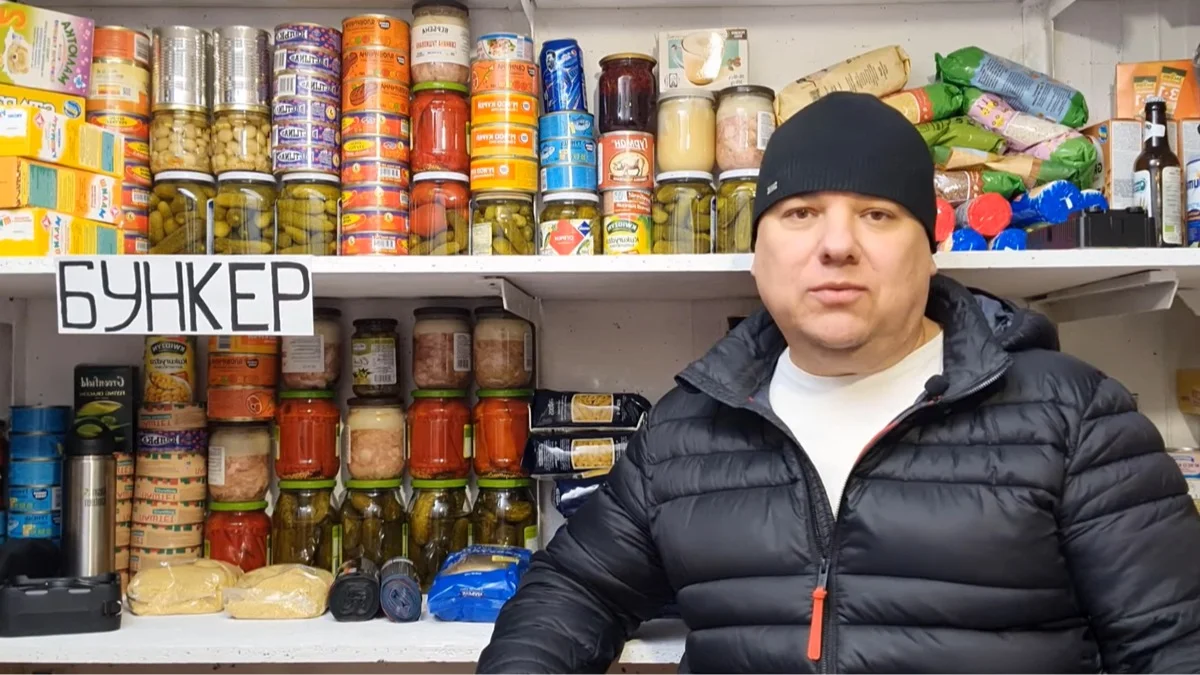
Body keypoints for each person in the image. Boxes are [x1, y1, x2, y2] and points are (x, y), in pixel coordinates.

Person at [477, 92, 1200, 673]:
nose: (836, 245)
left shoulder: (1073, 417)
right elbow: (575, 589)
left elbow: (1174, 643)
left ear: (931, 248)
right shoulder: (686, 430)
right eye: (800, 213)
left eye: (877, 214)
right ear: (758, 253)